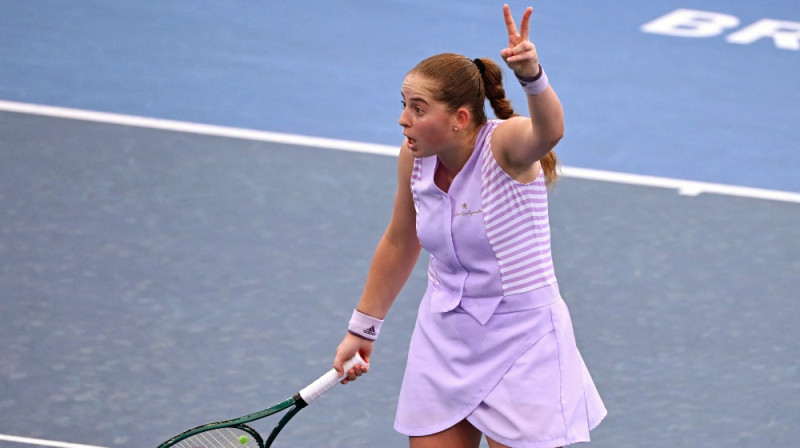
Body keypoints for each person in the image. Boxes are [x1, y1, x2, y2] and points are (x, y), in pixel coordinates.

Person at [333, 4, 606, 447]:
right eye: (404, 105)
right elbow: (401, 241)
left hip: (524, 343)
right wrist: (362, 329)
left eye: (418, 109)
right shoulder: (414, 158)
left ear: (460, 118)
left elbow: (550, 131)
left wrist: (532, 76)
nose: (404, 119)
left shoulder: (506, 147)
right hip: (445, 338)